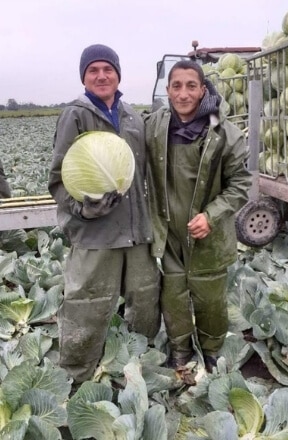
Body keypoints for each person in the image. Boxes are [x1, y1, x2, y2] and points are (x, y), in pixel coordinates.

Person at [48, 44, 160, 384]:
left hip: (136, 230)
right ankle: (76, 375)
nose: (101, 75)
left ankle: (139, 370)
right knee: (87, 303)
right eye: (93, 70)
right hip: (95, 233)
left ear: (118, 74)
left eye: (107, 69)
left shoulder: (132, 116)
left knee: (144, 300)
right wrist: (82, 207)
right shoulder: (76, 115)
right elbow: (58, 178)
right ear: (84, 77)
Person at [145, 60, 252, 373]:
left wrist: (212, 215)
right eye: (176, 86)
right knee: (173, 296)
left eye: (191, 86)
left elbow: (241, 184)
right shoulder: (155, 128)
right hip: (170, 234)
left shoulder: (225, 135)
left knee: (211, 300)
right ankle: (180, 350)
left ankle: (211, 350)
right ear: (167, 91)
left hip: (208, 235)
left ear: (203, 90)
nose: (183, 93)